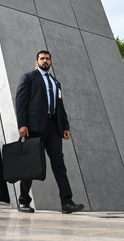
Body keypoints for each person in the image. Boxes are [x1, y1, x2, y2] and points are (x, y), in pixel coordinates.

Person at [15, 50, 84, 214]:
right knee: (31, 164)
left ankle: (67, 203)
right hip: (34, 127)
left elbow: (60, 107)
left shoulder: (56, 82)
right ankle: (24, 201)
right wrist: (22, 125)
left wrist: (65, 126)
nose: (45, 61)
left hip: (53, 127)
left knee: (59, 164)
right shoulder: (29, 77)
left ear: (51, 62)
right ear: (36, 62)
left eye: (47, 59)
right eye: (41, 58)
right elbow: (20, 102)